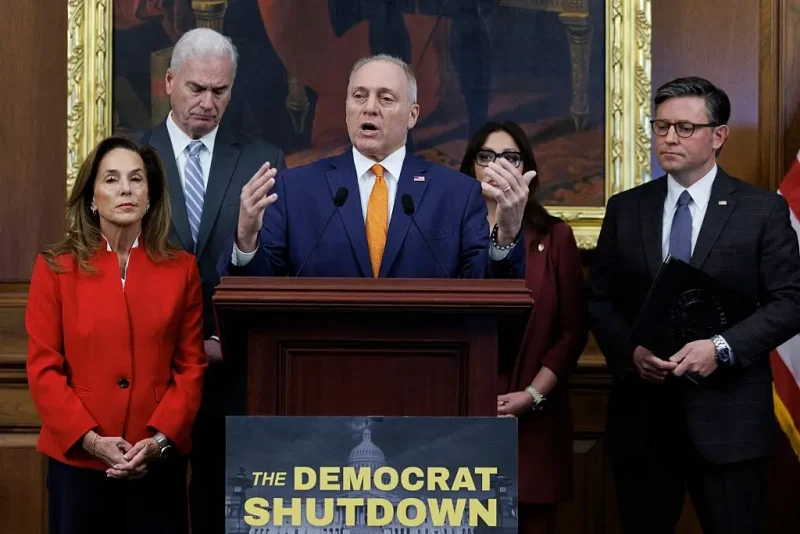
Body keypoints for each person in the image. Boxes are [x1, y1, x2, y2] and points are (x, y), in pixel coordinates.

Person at [585, 76, 800, 534]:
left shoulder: (760, 211)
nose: (669, 138)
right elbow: (600, 300)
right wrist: (631, 353)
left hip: (729, 421)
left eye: (684, 127)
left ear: (717, 135)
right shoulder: (626, 209)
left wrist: (720, 347)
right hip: (643, 422)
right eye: (661, 126)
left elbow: (791, 302)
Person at [138, 28, 284, 534]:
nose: (207, 102)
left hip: (231, 369)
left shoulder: (262, 159)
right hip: (152, 371)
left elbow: (275, 265)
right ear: (170, 82)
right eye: (196, 89)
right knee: (154, 511)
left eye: (219, 91)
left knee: (225, 508)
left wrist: (225, 336)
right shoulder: (131, 158)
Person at [25, 136, 207, 534]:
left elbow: (191, 367)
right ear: (92, 198)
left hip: (156, 463)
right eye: (111, 179)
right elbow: (44, 370)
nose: (125, 188)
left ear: (149, 195)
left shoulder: (182, 270)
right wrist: (92, 442)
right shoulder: (56, 267)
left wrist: (158, 443)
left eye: (136, 179)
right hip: (78, 463)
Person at [221, 54, 528, 279]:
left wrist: (507, 236)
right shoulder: (296, 189)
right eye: (359, 96)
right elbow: (259, 292)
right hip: (321, 360)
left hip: (425, 361)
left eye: (385, 98)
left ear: (412, 115)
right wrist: (246, 240)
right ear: (346, 109)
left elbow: (484, 290)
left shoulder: (457, 194)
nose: (370, 108)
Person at [460, 121, 587, 534]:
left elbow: (571, 333)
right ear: (471, 167)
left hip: (533, 419)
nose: (497, 166)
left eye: (510, 157)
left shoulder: (555, 237)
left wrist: (532, 396)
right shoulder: (447, 234)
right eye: (486, 157)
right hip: (457, 416)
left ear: (526, 169)